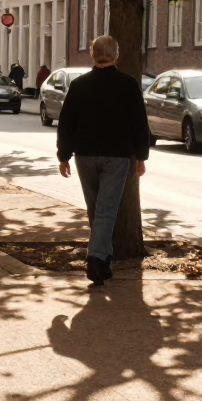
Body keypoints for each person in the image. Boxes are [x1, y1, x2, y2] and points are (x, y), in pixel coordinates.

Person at [56, 35, 149, 286]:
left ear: (93, 55)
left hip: (84, 155)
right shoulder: (128, 85)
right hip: (116, 156)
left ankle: (104, 259)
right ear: (116, 55)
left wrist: (63, 155)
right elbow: (139, 123)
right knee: (106, 210)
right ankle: (95, 259)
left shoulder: (79, 85)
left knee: (96, 209)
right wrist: (141, 155)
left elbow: (66, 123)